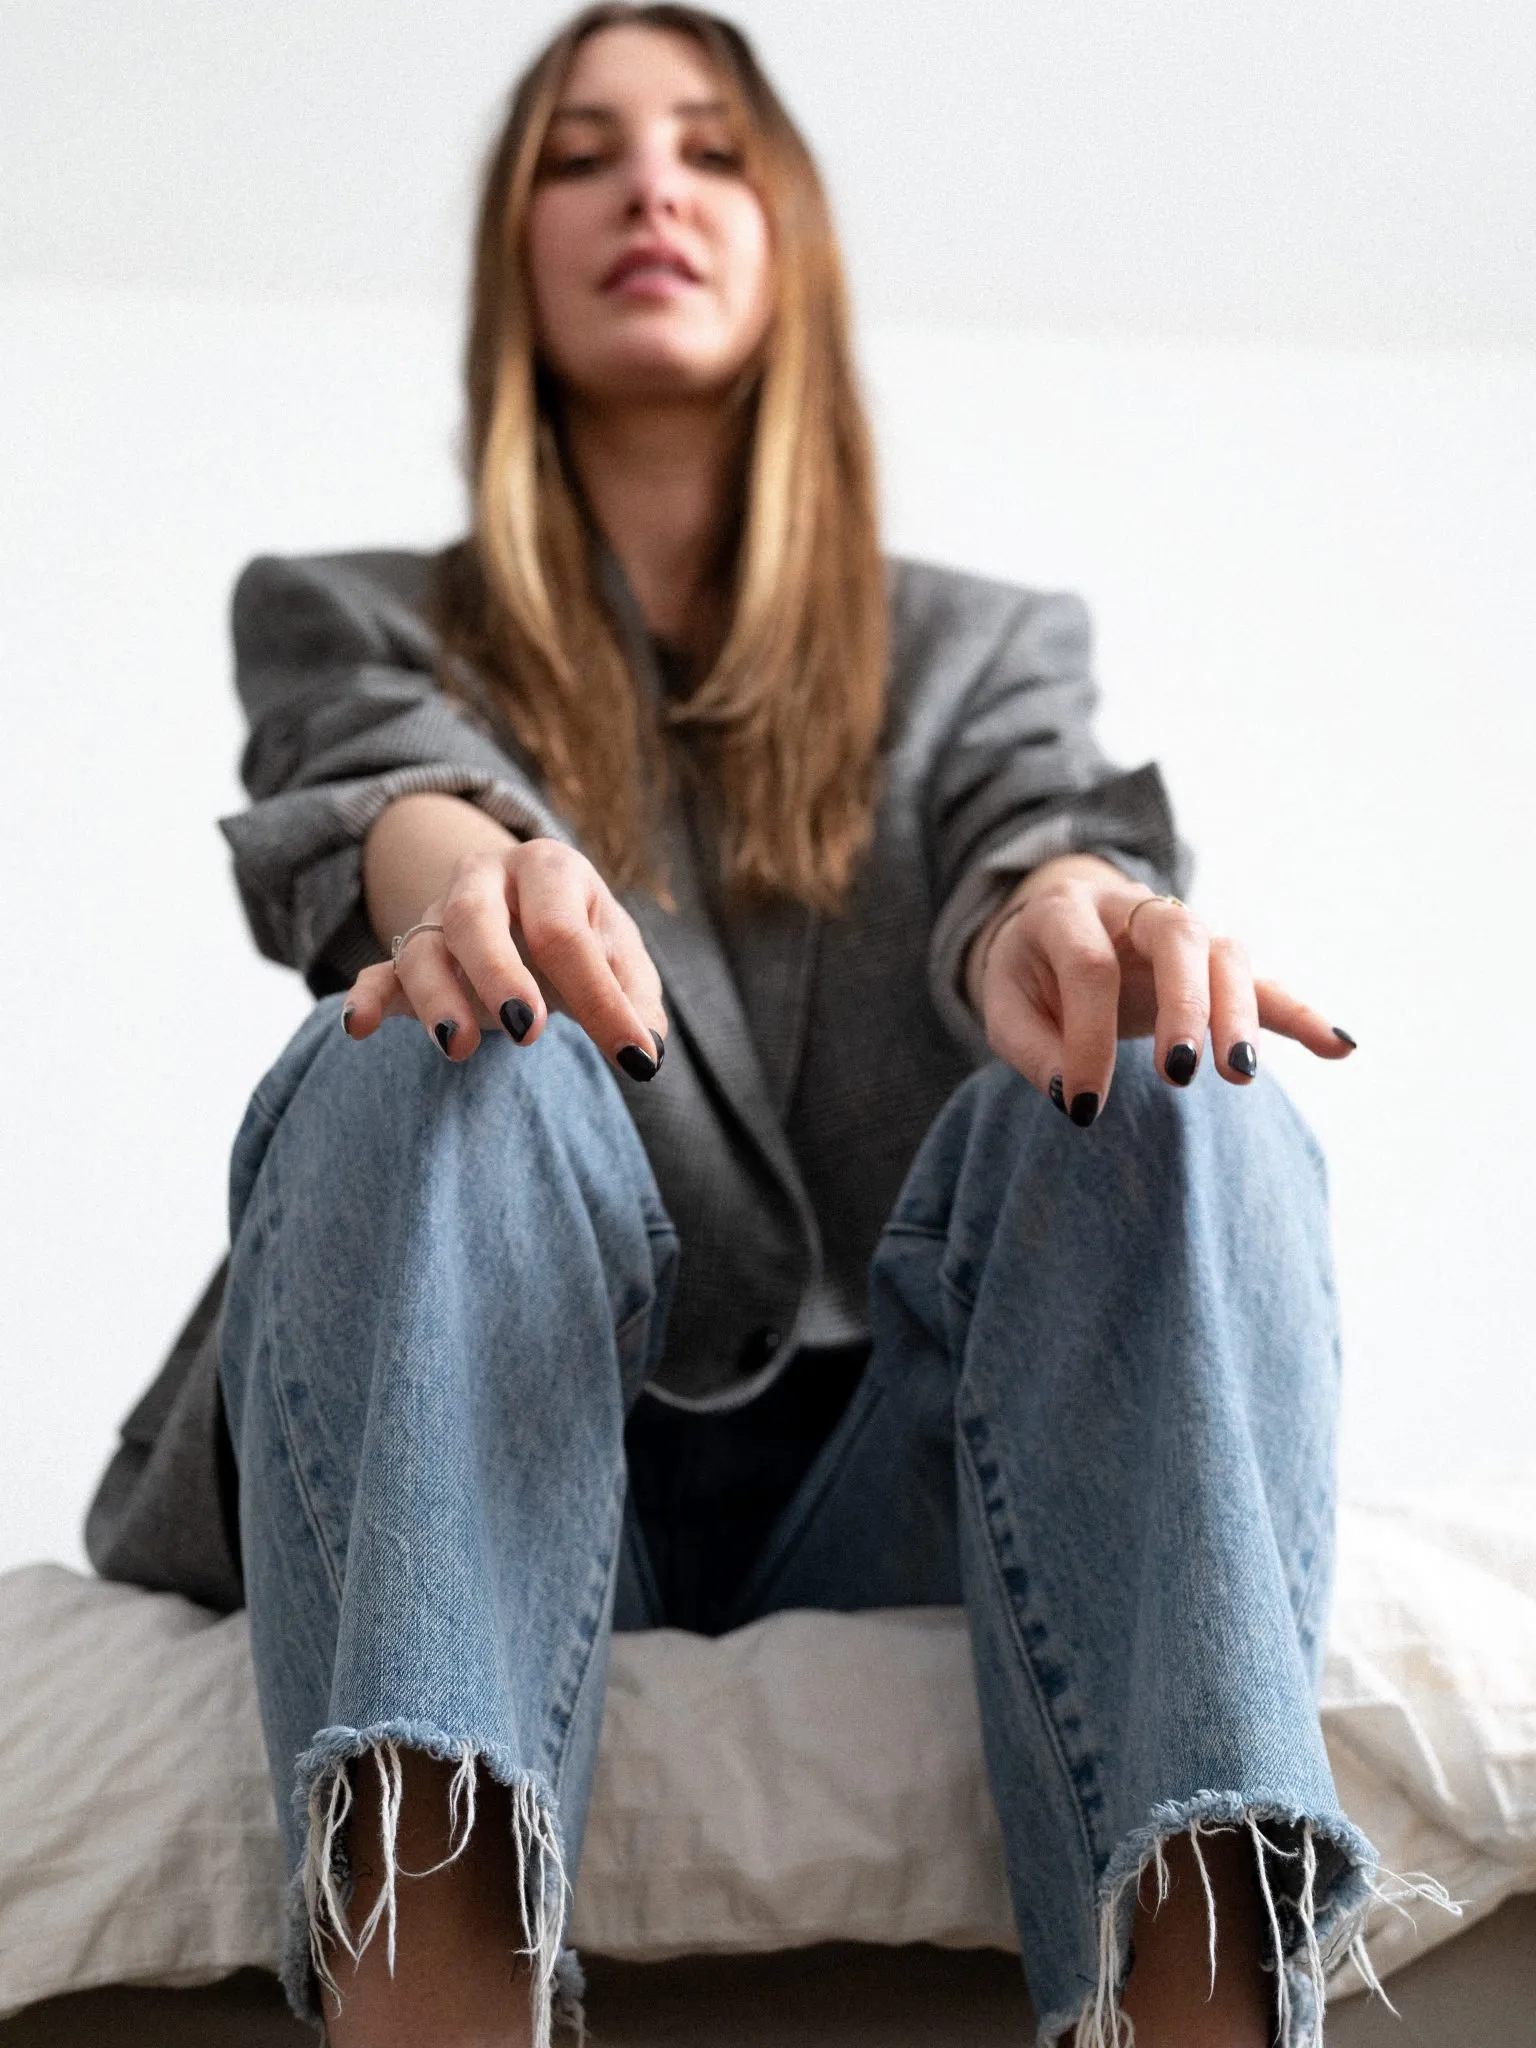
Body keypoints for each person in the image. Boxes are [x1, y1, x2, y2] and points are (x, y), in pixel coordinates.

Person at [87, 6, 1382, 2044]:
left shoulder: (978, 646)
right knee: (443, 1031)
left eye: (705, 149)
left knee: (1171, 1087)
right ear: (519, 251)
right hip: (493, 1418)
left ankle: (1204, 2008)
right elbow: (370, 804)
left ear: (787, 235)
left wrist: (1067, 913)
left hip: (893, 1461)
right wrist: (466, 880)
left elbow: (1026, 837)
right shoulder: (349, 607)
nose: (652, 189)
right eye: (582, 155)